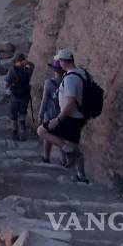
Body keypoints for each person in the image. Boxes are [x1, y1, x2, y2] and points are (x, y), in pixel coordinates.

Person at [36, 48, 90, 183]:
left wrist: (58, 119)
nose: (59, 63)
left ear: (64, 62)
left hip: (69, 117)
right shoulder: (80, 73)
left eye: (60, 60)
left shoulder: (70, 78)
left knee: (42, 130)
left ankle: (67, 151)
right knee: (74, 145)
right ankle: (81, 176)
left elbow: (70, 102)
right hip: (78, 116)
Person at [37, 59, 63, 163]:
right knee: (61, 136)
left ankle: (46, 157)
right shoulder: (66, 82)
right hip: (62, 114)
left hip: (50, 114)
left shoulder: (49, 82)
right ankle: (64, 159)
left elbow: (44, 101)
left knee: (47, 135)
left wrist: (40, 115)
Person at [5, 53, 34, 141]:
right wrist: (27, 62)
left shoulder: (11, 70)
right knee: (22, 114)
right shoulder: (27, 70)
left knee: (14, 115)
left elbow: (7, 84)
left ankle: (15, 133)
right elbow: (33, 66)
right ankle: (23, 132)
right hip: (25, 96)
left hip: (15, 95)